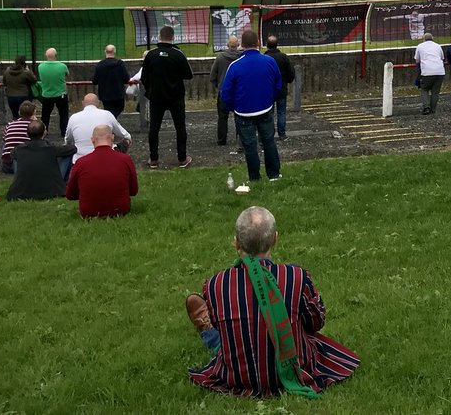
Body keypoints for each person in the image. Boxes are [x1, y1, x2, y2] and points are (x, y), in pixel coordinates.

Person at [185, 206, 360, 397]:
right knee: (300, 315)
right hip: (295, 367)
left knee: (223, 338)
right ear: (275, 239)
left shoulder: (215, 284)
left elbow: (222, 328)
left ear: (236, 243)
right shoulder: (296, 277)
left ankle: (208, 331)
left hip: (238, 377)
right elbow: (316, 322)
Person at [220, 30, 282, 183]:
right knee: (268, 141)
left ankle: (255, 177)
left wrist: (233, 107)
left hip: (244, 112)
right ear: (258, 43)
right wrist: (270, 100)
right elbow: (278, 85)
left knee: (250, 146)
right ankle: (273, 174)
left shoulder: (235, 66)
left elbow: (225, 92)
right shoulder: (269, 61)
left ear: (242, 45)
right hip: (264, 109)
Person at [140, 24, 194, 168]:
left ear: (159, 37)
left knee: (154, 128)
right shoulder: (178, 54)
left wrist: (151, 90)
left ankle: (153, 159)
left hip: (157, 97)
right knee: (180, 127)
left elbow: (144, 77)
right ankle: (182, 158)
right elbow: (189, 75)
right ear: (173, 37)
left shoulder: (151, 55)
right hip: (176, 96)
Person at [66, 124, 139, 218]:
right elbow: (133, 191)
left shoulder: (80, 163)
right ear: (112, 137)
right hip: (120, 210)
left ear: (92, 140)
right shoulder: (125, 160)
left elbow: (70, 195)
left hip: (89, 212)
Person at [7, 116, 76, 201]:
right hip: (52, 189)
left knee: (15, 158)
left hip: (22, 191)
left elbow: (12, 154)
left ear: (27, 134)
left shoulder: (19, 150)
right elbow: (73, 149)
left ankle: (20, 180)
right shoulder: (51, 149)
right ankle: (61, 181)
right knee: (67, 154)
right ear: (44, 133)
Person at [66, 92, 131, 164]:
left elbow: (68, 140)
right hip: (107, 159)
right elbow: (125, 135)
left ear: (83, 103)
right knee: (127, 140)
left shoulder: (73, 118)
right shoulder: (107, 114)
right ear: (98, 103)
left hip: (79, 160)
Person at [211, 35, 243, 146]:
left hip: (224, 91)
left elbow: (212, 75)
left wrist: (218, 86)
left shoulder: (220, 58)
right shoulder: (241, 58)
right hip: (238, 91)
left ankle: (221, 139)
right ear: (238, 45)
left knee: (222, 117)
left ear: (227, 45)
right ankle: (240, 138)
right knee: (239, 116)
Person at [264, 35, 295, 141]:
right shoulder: (283, 57)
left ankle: (270, 134)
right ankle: (282, 134)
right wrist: (287, 81)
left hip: (268, 90)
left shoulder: (264, 58)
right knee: (281, 112)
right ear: (277, 44)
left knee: (269, 113)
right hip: (281, 88)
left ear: (267, 45)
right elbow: (291, 72)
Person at [93, 45, 131, 120]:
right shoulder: (120, 64)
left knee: (109, 112)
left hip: (105, 95)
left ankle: (111, 122)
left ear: (105, 52)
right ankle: (113, 122)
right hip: (119, 93)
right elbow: (126, 79)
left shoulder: (100, 65)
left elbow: (95, 81)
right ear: (114, 52)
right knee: (118, 109)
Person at [414, 32, 445, 115]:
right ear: (432, 38)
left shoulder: (420, 46)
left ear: (423, 39)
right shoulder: (438, 46)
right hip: (440, 71)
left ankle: (426, 107)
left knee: (424, 89)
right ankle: (433, 109)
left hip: (427, 71)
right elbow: (442, 58)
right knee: (435, 92)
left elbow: (417, 60)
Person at [1, 100, 37, 173]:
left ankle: (6, 158)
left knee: (6, 142)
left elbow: (4, 139)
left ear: (19, 113)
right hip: (27, 163)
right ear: (34, 113)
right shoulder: (34, 126)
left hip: (8, 165)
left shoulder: (10, 124)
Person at [2, 54, 37, 119]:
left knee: (15, 115)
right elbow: (34, 80)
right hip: (24, 96)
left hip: (11, 96)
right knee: (26, 116)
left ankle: (16, 124)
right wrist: (29, 70)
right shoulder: (26, 72)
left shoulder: (7, 71)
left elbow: (4, 82)